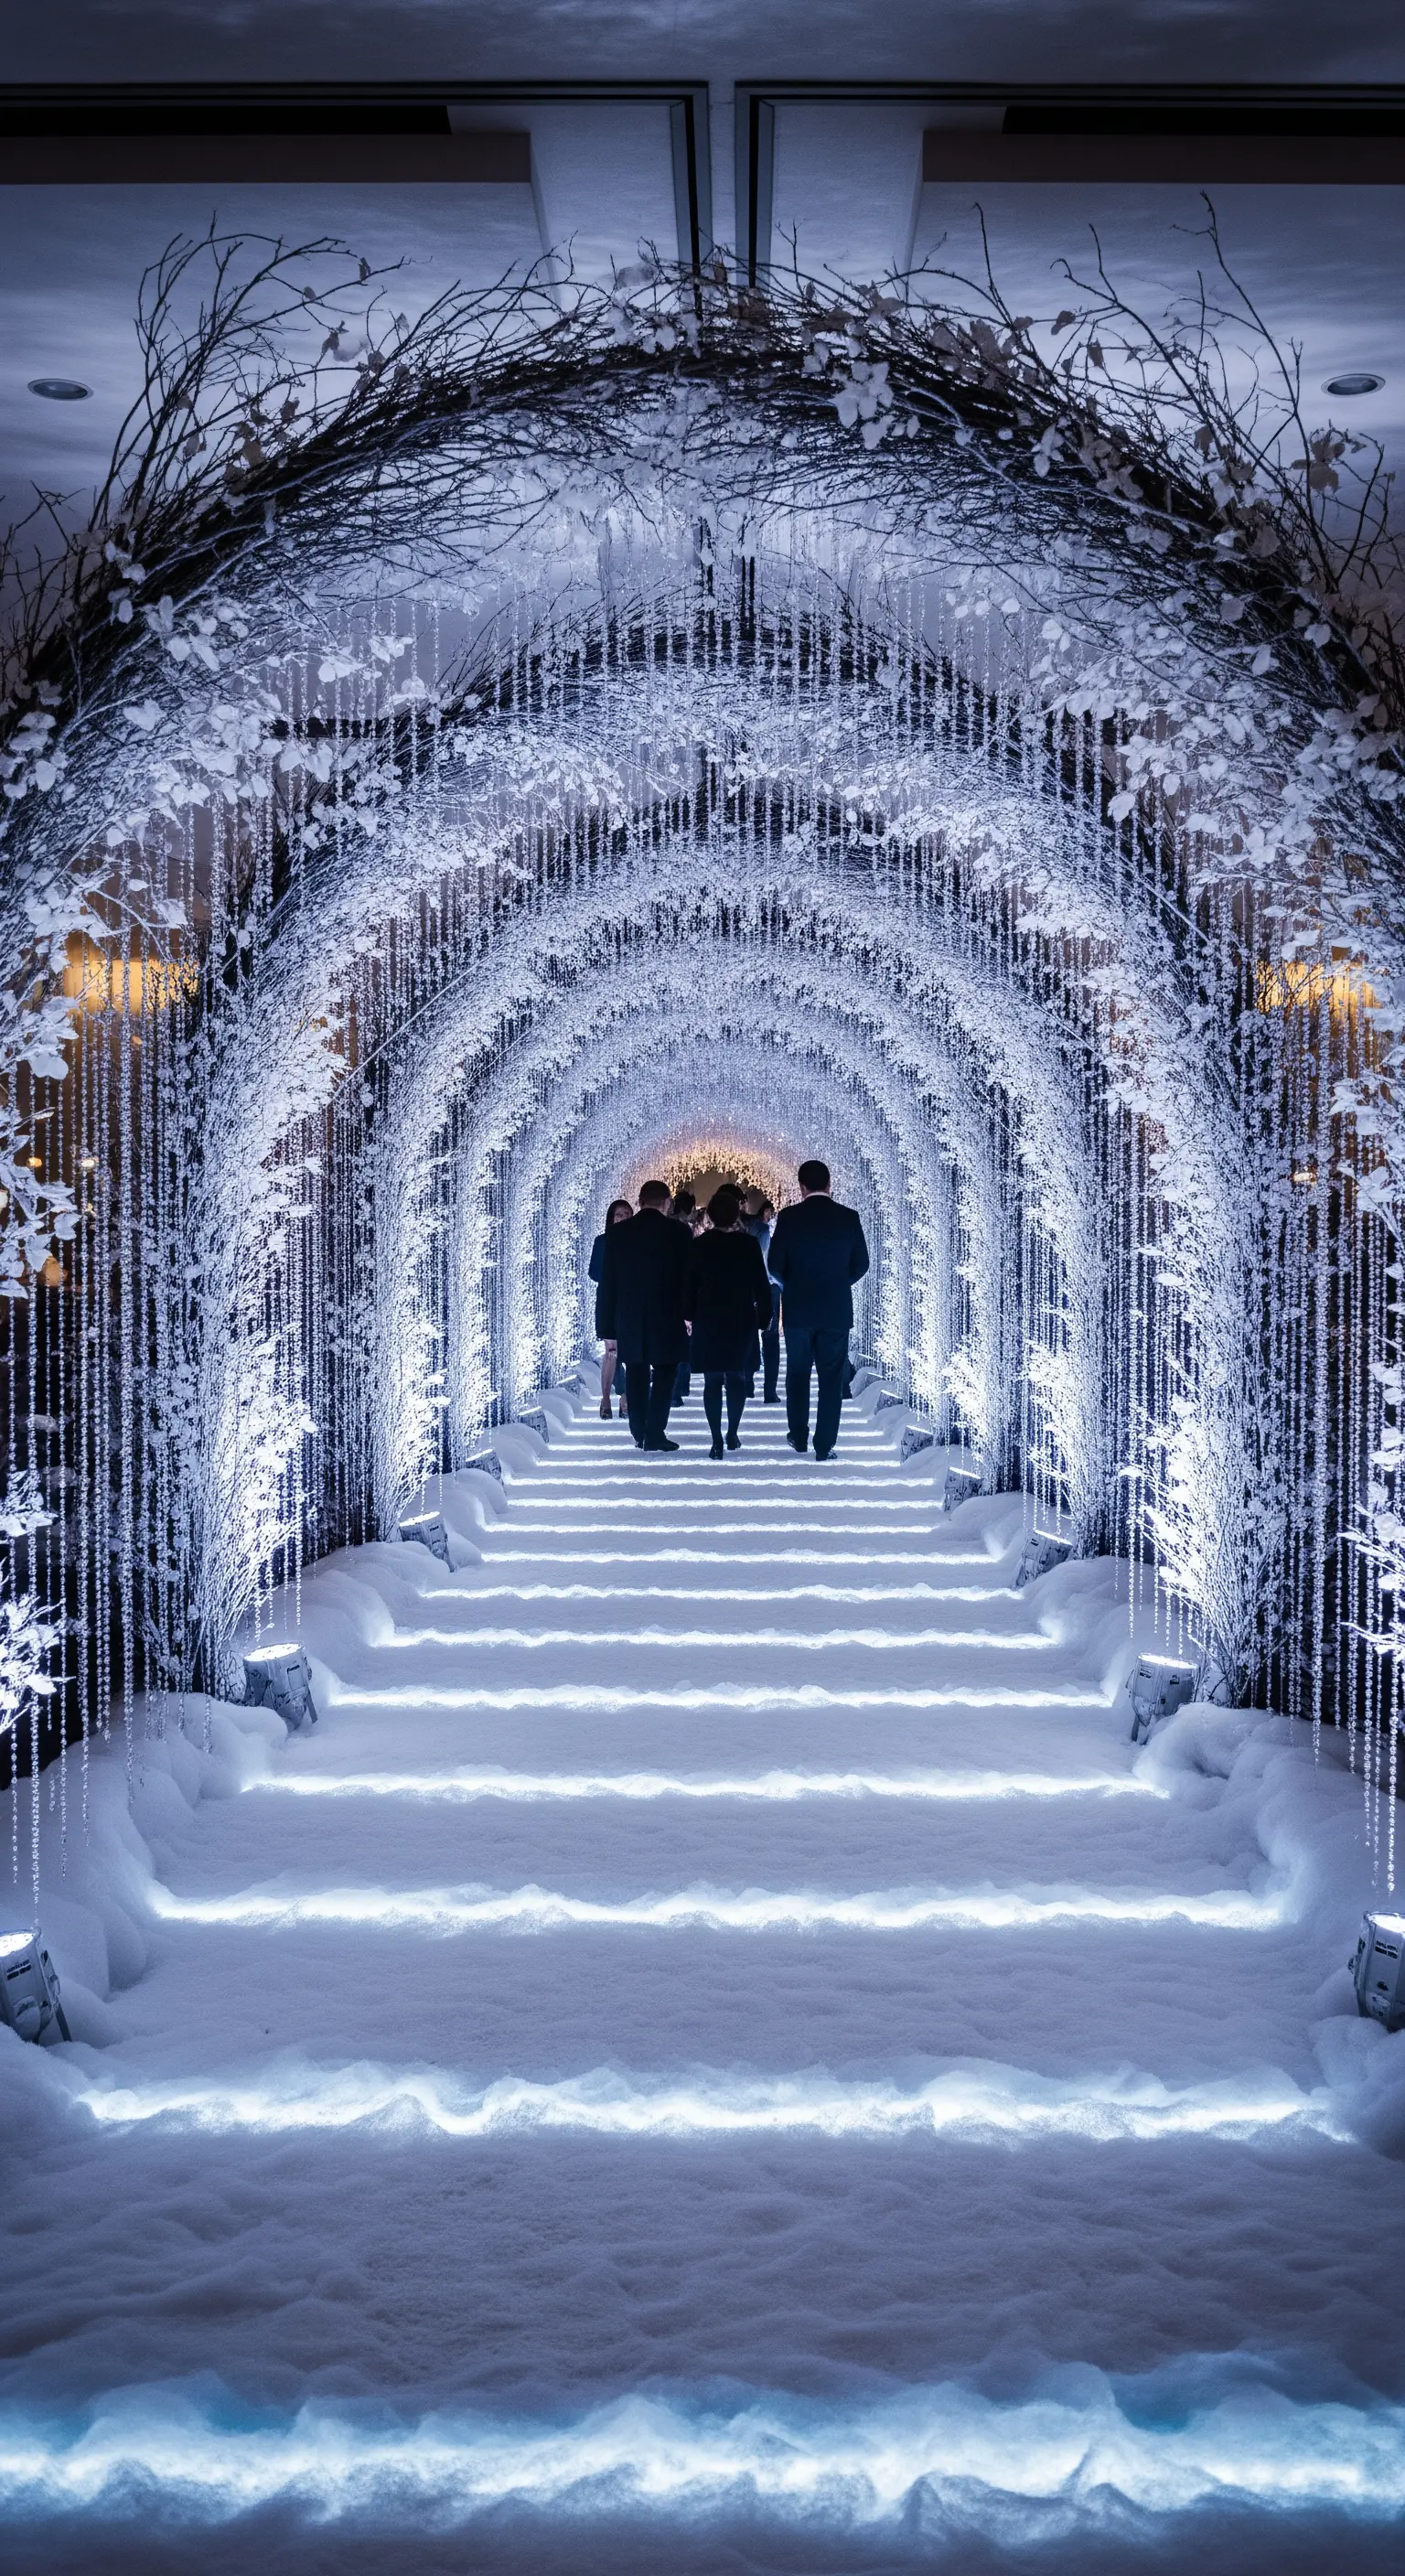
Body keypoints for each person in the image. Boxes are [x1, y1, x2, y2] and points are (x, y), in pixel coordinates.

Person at [767, 1158, 870, 1461]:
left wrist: (792, 1285)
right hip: (836, 1309)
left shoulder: (788, 1218)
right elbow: (861, 1263)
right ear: (829, 1183)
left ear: (802, 1187)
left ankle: (798, 1436)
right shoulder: (848, 1217)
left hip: (799, 1309)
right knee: (830, 1375)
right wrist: (839, 1282)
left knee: (797, 1373)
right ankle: (824, 1444)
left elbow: (774, 1265)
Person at [595, 1179, 692, 1452]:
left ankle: (638, 1430)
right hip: (667, 1315)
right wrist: (690, 1314)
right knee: (665, 1372)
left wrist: (606, 1327)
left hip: (629, 1317)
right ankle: (655, 1431)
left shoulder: (618, 1234)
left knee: (636, 1371)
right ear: (667, 1202)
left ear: (639, 1202)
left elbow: (608, 1284)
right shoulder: (680, 1232)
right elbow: (688, 1278)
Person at [683, 1186, 774, 1459]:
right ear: (736, 1215)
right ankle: (732, 1432)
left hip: (708, 1317)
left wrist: (688, 1315)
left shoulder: (698, 1245)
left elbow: (688, 1286)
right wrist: (764, 1318)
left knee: (712, 1381)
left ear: (710, 1215)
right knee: (736, 1376)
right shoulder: (748, 1244)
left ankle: (715, 1440)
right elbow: (761, 1284)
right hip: (740, 1316)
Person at [588, 1198, 634, 1418]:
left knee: (626, 1351)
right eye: (619, 1215)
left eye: (627, 1214)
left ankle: (622, 1397)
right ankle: (608, 1398)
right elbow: (594, 1272)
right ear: (611, 1218)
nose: (623, 1218)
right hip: (609, 1300)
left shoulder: (638, 1242)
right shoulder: (603, 1242)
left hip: (631, 1301)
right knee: (611, 1352)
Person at [742, 1196, 781, 1401]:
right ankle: (769, 1389)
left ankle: (747, 1382)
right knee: (770, 1338)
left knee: (748, 1335)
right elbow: (767, 1261)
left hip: (745, 1288)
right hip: (767, 1286)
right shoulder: (763, 1230)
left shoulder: (732, 1230)